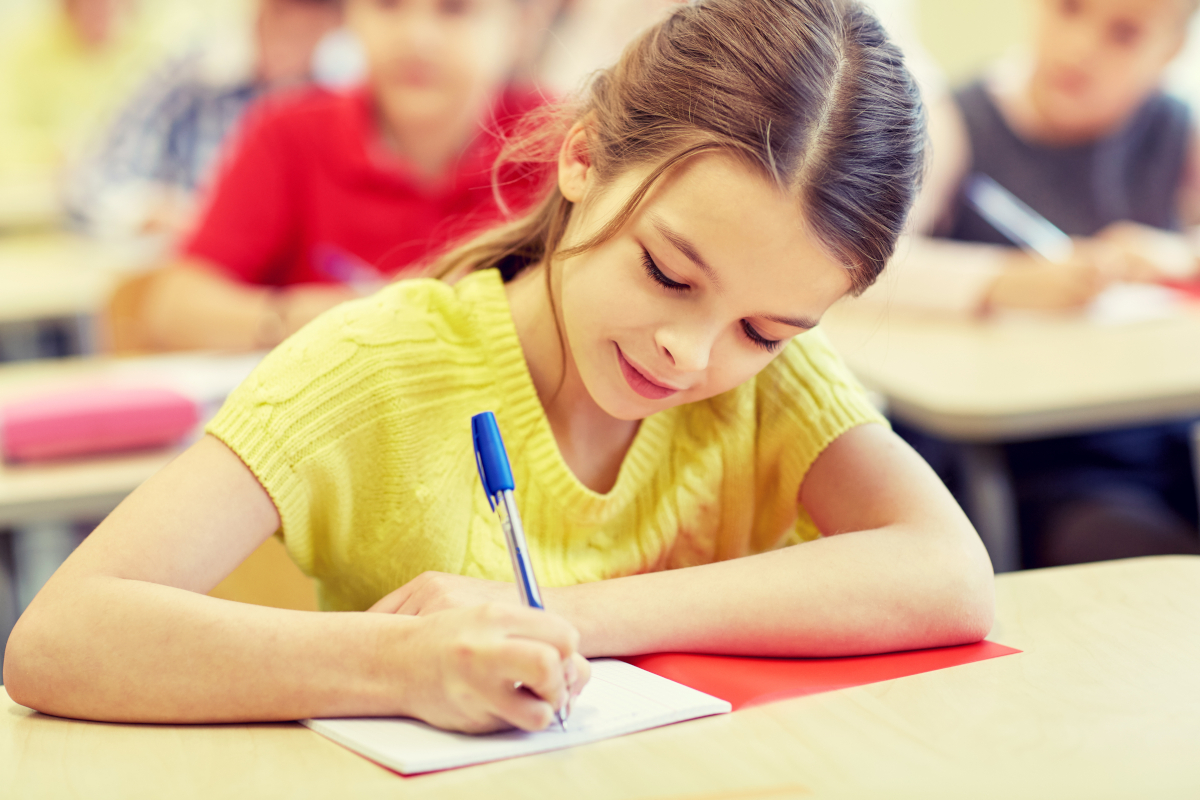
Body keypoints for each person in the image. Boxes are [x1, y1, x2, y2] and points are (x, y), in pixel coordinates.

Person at [4, 0, 994, 734]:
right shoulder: (379, 362)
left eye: (767, 328)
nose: (690, 354)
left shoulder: (772, 379)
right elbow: (59, 636)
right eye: (666, 271)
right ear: (581, 158)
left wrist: (558, 615)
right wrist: (396, 662)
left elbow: (950, 571)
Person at [873, 0, 1200, 566]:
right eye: (1069, 9)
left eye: (1124, 35)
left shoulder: (1176, 129)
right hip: (1021, 468)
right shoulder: (955, 121)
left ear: (1169, 52)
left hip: (1153, 452)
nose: (1080, 48)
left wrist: (1179, 255)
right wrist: (1003, 282)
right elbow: (869, 263)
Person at [127, 0, 559, 353]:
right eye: (388, 5)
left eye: (455, 10)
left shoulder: (562, 147)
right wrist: (326, 315)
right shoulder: (287, 133)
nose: (416, 38)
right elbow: (174, 308)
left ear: (520, 25)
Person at [64, 0, 345, 240]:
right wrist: (144, 210)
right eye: (283, 26)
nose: (291, 48)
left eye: (308, 33)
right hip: (187, 269)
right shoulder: (189, 75)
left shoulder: (342, 94)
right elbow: (91, 181)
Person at [0, 0, 160, 182]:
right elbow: (5, 138)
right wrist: (54, 153)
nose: (101, 11)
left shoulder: (153, 54)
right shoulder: (24, 54)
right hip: (39, 194)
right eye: (90, 6)